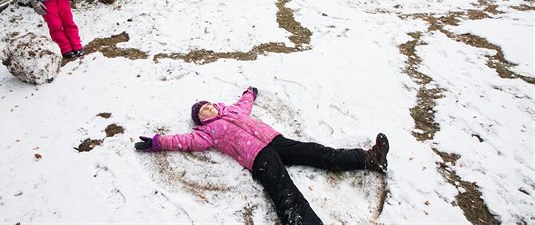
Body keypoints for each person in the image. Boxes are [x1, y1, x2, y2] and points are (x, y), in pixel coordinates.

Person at [135, 87, 389, 225]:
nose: (208, 109)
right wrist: (159, 142)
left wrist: (249, 93)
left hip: (275, 140)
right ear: (199, 120)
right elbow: (184, 142)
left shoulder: (233, 111)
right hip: (257, 156)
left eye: (208, 104)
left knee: (315, 151)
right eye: (202, 111)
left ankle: (368, 159)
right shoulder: (207, 133)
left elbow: (244, 104)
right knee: (284, 190)